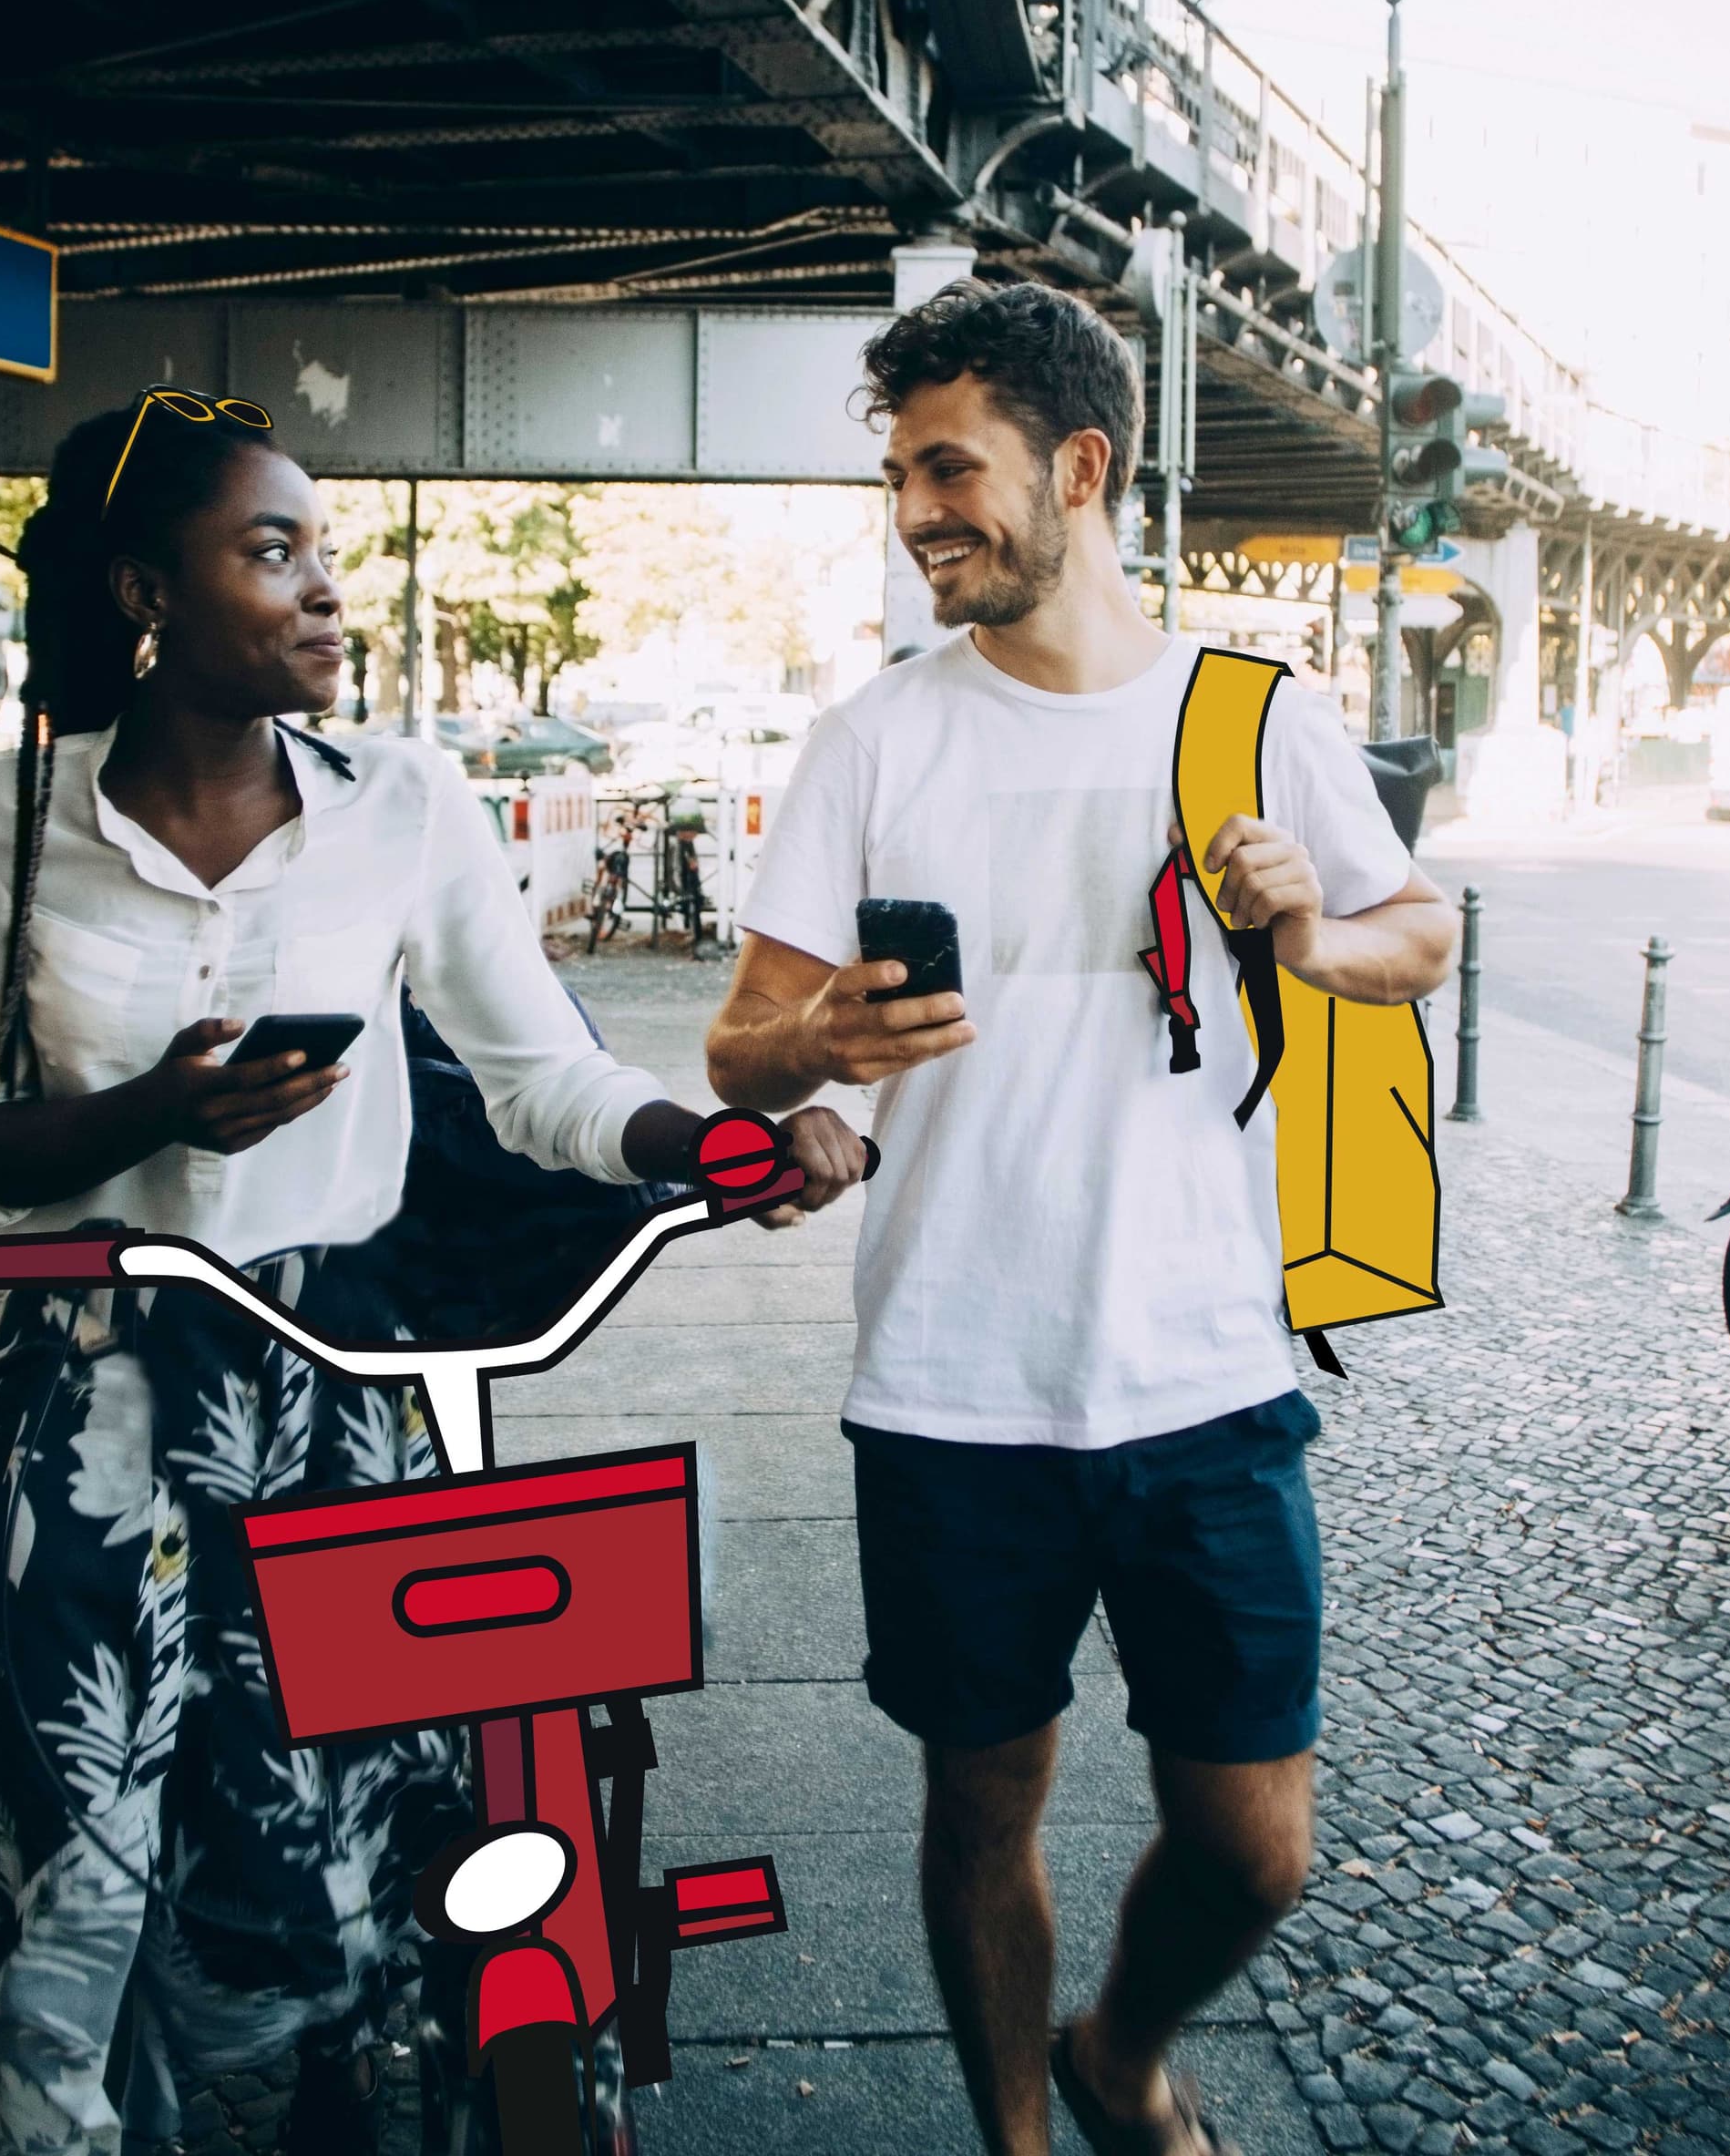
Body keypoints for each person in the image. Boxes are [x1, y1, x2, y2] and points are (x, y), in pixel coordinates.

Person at [0, 386, 858, 2156]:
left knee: (336, 1836)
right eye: (274, 551)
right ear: (143, 589)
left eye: (326, 551)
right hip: (91, 1403)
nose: (327, 591)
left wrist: (706, 1146)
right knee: (73, 1838)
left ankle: (358, 2071)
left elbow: (540, 1074)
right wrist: (144, 1113)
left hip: (336, 1385)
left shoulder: (403, 800)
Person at [705, 283, 1459, 2156]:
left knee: (1254, 1845)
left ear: (1081, 467)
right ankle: (1022, 2140)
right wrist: (820, 1043)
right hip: (956, 1380)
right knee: (985, 1803)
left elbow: (1417, 931)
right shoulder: (876, 742)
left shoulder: (1253, 716)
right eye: (899, 474)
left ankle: (1122, 2043)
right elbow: (741, 1044)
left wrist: (1307, 930)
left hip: (1207, 1369)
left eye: (950, 466)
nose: (916, 509)